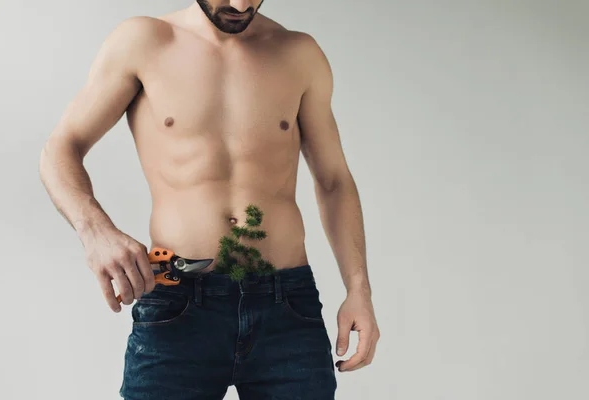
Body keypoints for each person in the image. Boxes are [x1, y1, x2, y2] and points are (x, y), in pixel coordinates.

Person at [39, 1, 380, 399]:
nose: (240, 5)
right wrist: (96, 231)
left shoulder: (298, 53)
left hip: (287, 305)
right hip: (178, 302)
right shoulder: (144, 42)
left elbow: (334, 180)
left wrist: (359, 289)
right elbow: (61, 147)